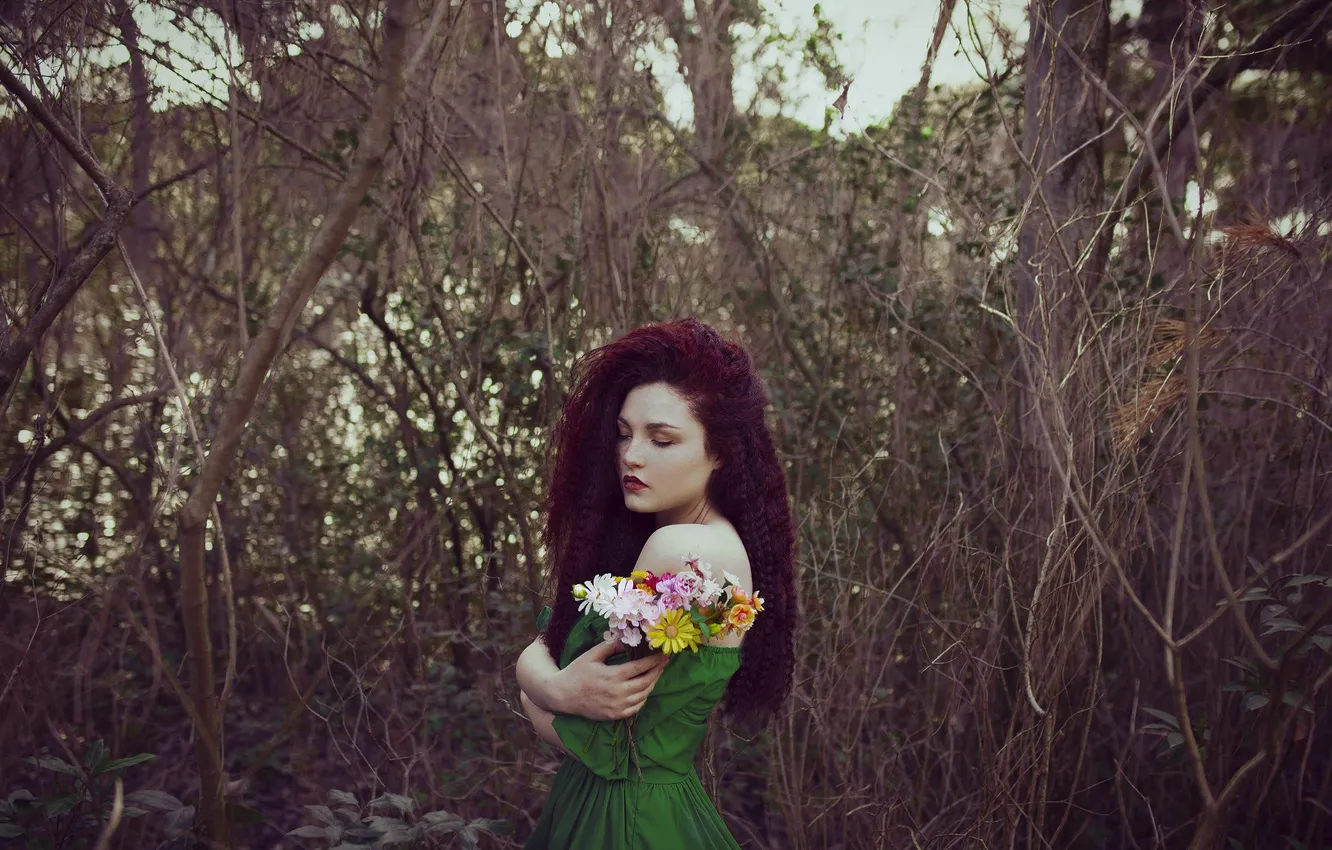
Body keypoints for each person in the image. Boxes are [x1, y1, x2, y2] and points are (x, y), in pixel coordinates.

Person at [514, 318, 797, 849]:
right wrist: (552, 688)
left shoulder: (684, 551)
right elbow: (550, 656)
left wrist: (541, 690)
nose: (632, 455)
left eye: (662, 439)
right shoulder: (684, 539)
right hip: (621, 804)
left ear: (720, 452)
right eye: (624, 434)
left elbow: (593, 740)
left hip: (625, 818)